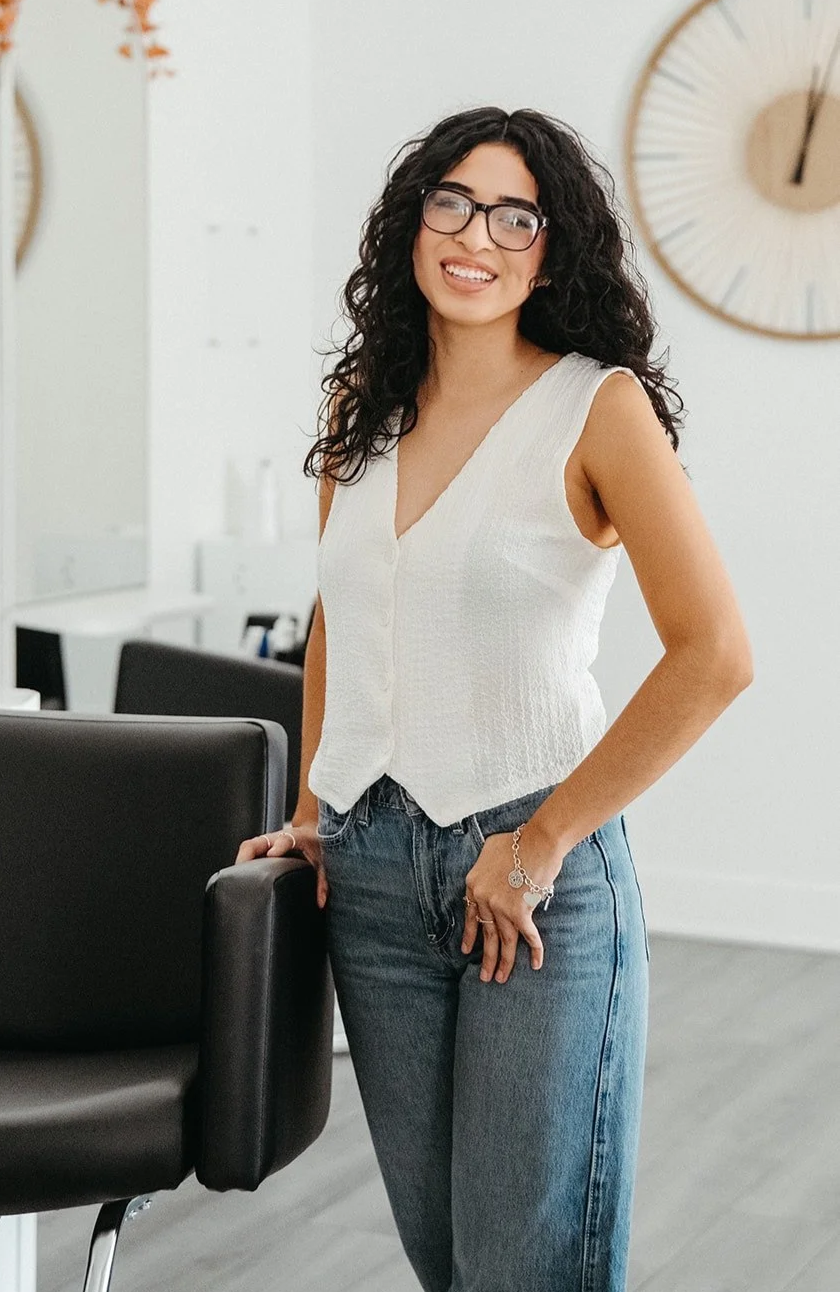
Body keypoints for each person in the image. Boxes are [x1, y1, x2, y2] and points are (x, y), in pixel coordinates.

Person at [235, 106, 753, 1292]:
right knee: (448, 1260)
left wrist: (540, 840)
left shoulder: (596, 407)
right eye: (452, 200)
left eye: (516, 214)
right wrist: (319, 808)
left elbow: (715, 651)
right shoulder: (359, 405)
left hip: (536, 877)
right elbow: (336, 624)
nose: (478, 234)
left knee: (526, 1270)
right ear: (413, 221)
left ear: (552, 248)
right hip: (367, 874)